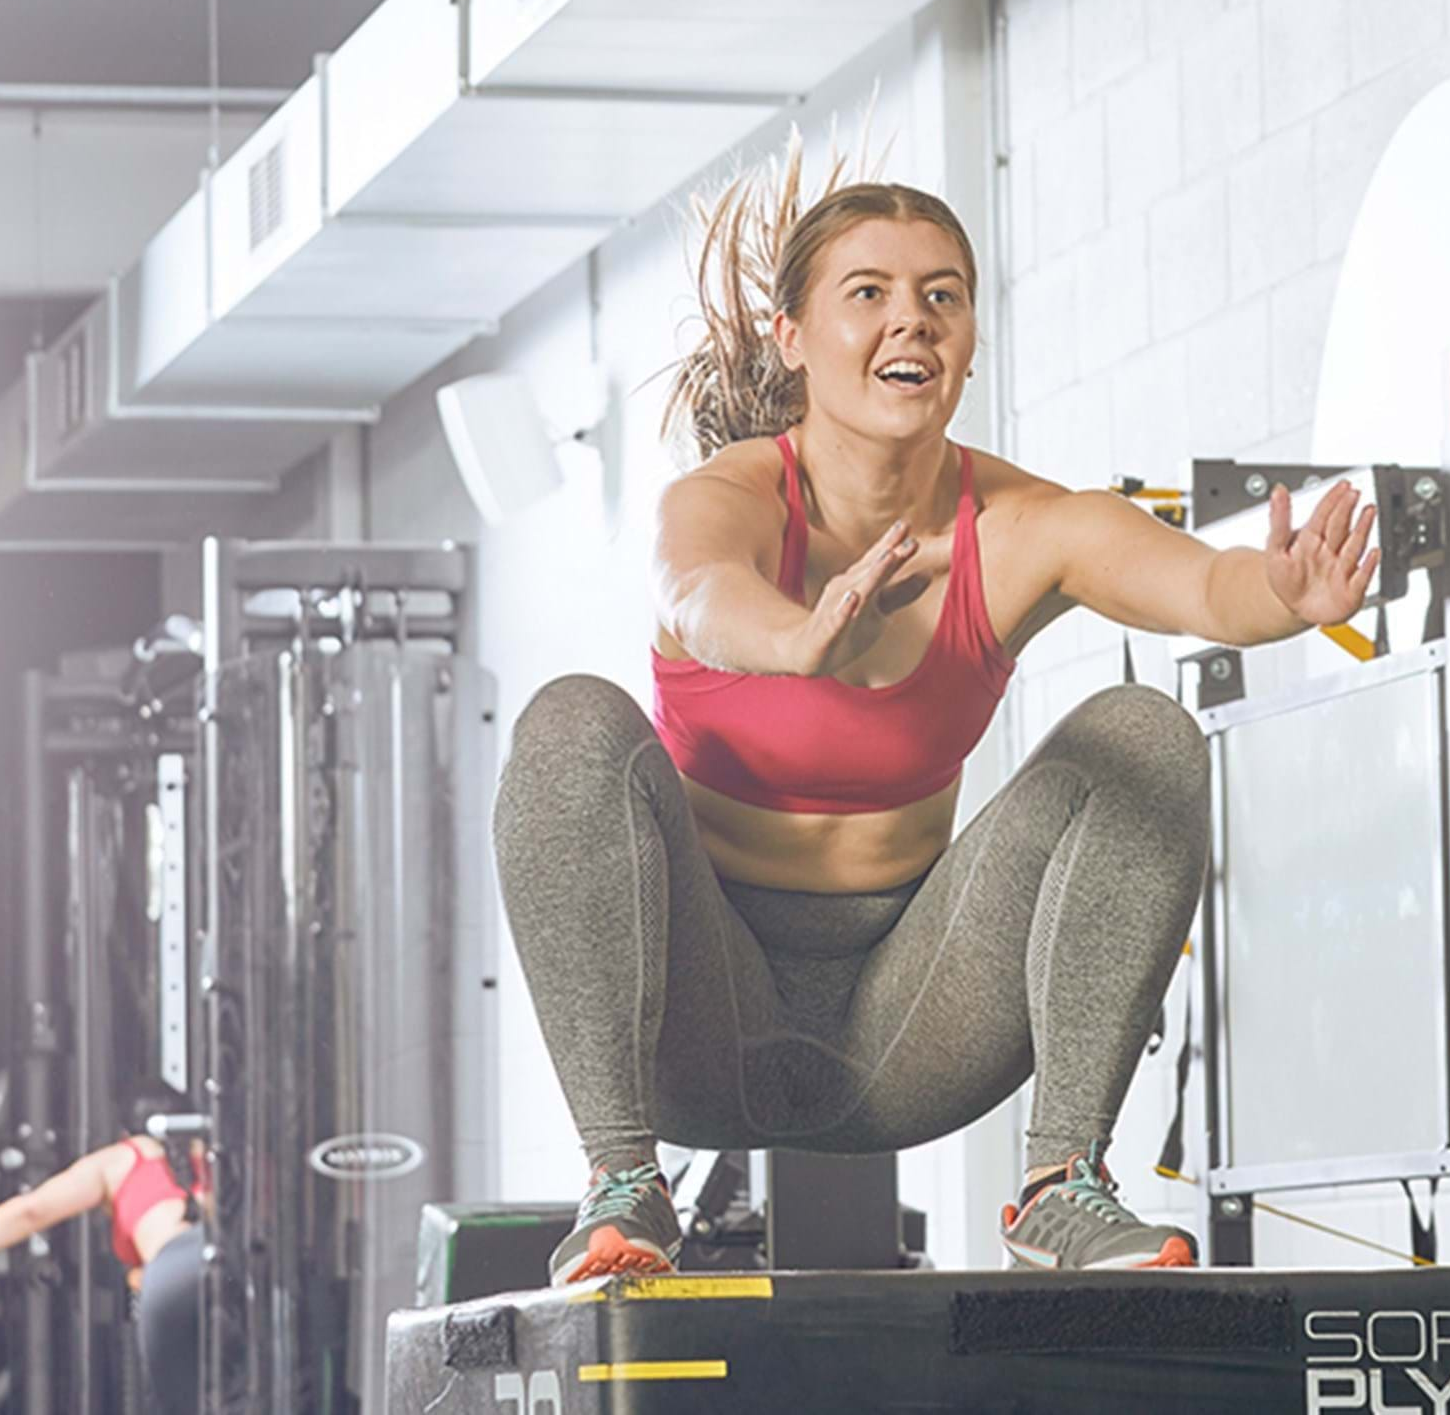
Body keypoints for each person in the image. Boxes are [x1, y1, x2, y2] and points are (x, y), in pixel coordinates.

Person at [497, 139, 1379, 1283]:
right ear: (793, 337)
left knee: (1141, 734)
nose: (910, 322)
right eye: (868, 294)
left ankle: (1063, 1184)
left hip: (911, 1024)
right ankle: (622, 1182)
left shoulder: (1018, 526)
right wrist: (799, 638)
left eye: (940, 298)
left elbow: (1199, 584)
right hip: (695, 1016)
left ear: (965, 342)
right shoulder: (723, 500)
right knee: (571, 723)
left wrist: (1281, 592)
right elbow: (698, 595)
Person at [0, 1109, 210, 1413]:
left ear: (126, 1130)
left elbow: (32, 1211)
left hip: (170, 1274)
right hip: (225, 1266)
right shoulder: (216, 1154)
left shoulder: (121, 1157)